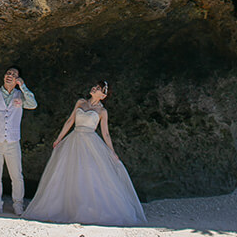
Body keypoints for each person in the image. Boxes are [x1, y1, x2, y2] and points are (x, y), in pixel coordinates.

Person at [23, 81, 146, 226]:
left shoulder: (102, 111)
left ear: (103, 95)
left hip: (91, 142)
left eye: (99, 88)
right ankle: (67, 207)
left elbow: (106, 133)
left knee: (89, 173)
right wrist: (59, 138)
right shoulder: (81, 102)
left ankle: (88, 209)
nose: (94, 88)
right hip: (74, 139)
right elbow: (70, 121)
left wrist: (112, 152)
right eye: (95, 86)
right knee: (68, 172)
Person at [0, 66, 37, 215]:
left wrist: (23, 86)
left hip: (13, 141)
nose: (9, 76)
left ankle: (18, 204)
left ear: (17, 78)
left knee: (17, 175)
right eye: (8, 73)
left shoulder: (20, 95)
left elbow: (33, 104)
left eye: (13, 74)